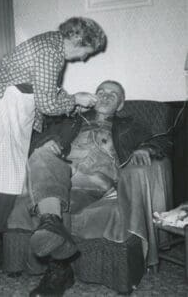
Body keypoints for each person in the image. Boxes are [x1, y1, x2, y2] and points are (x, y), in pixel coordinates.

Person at [0, 17, 106, 272]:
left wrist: (72, 101)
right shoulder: (51, 51)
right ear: (77, 40)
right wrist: (74, 99)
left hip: (7, 109)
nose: (84, 58)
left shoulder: (51, 46)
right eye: (87, 51)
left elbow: (46, 91)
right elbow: (47, 104)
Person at [19, 79, 172, 296]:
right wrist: (49, 140)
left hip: (95, 183)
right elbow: (34, 141)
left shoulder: (131, 125)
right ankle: (51, 226)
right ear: (93, 98)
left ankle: (57, 270)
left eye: (114, 94)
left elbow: (165, 139)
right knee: (42, 154)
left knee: (55, 197)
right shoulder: (72, 121)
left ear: (120, 105)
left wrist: (147, 148)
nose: (106, 95)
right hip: (62, 178)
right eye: (101, 91)